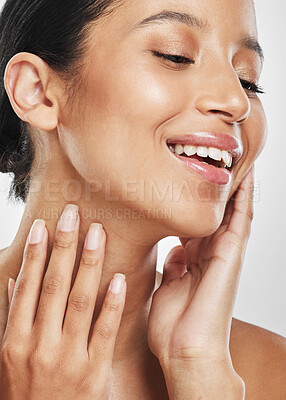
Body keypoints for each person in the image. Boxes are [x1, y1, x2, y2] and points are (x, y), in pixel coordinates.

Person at [0, 0, 285, 398]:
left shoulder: (271, 375)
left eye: (248, 80)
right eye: (175, 55)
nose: (237, 102)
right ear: (38, 92)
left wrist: (200, 374)